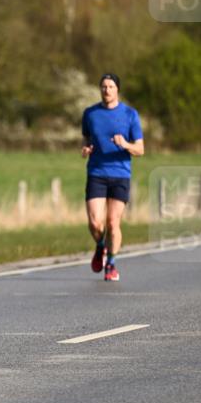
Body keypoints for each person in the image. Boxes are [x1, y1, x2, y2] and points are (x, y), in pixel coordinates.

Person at [81, 72, 144, 282]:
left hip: (120, 174)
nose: (106, 90)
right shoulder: (90, 114)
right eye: (103, 87)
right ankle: (101, 247)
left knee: (112, 222)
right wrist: (85, 149)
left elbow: (140, 149)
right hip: (97, 173)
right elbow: (87, 139)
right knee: (95, 223)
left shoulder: (130, 114)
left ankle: (111, 264)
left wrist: (125, 144)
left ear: (117, 89)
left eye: (110, 86)